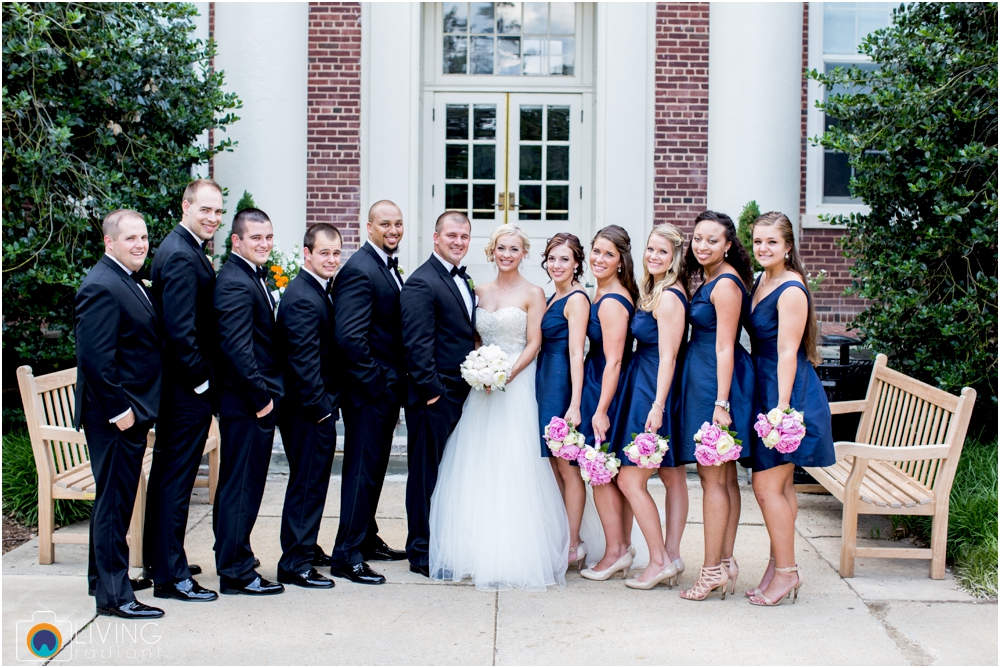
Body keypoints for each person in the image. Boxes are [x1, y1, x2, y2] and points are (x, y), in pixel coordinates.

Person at [429, 224, 570, 591]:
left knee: (514, 464)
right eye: (501, 248)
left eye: (514, 249)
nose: (507, 254)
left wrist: (505, 374)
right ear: (492, 252)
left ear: (524, 254)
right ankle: (475, 548)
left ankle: (516, 551)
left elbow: (535, 342)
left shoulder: (534, 293)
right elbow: (475, 338)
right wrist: (480, 370)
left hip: (516, 384)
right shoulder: (479, 291)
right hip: (483, 387)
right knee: (477, 462)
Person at [75, 209, 164, 619]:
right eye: (130, 238)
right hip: (115, 418)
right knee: (114, 505)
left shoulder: (125, 279)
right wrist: (120, 411)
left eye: (143, 237)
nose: (140, 245)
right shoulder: (101, 286)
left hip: (130, 412)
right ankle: (114, 596)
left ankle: (101, 579)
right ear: (109, 242)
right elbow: (94, 360)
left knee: (113, 501)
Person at [745, 211, 834, 606]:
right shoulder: (763, 279)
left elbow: (786, 351)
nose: (763, 248)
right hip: (765, 384)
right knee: (780, 486)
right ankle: (776, 564)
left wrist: (781, 409)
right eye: (758, 241)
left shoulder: (792, 288)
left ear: (788, 246)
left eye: (771, 242)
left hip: (786, 391)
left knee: (766, 487)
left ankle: (787, 573)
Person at [143, 180, 222, 604]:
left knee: (169, 477)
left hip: (182, 387)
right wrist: (203, 381)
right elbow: (179, 332)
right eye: (205, 209)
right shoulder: (177, 254)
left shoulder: (187, 247)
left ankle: (161, 559)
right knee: (176, 479)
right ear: (186, 205)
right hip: (183, 389)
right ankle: (171, 577)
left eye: (218, 212)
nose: (212, 218)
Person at [678, 210, 755, 601]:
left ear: (728, 244)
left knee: (713, 479)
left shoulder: (725, 284)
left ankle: (710, 571)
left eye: (712, 240)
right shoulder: (710, 278)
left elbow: (726, 344)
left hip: (716, 384)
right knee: (723, 479)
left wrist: (721, 402)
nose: (702, 245)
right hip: (707, 378)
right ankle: (724, 563)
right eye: (697, 239)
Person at [330, 200, 408, 586]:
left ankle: (367, 539)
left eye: (398, 224)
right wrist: (377, 384)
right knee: (361, 470)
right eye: (385, 224)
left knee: (373, 469)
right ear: (369, 227)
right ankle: (346, 553)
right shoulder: (360, 270)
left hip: (382, 390)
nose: (393, 230)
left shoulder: (383, 265)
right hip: (368, 393)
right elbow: (349, 338)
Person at [400, 211, 477, 577]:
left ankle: (443, 541)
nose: (458, 241)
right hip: (436, 398)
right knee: (425, 475)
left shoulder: (462, 279)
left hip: (462, 394)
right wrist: (433, 393)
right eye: (451, 235)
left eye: (464, 236)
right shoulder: (421, 282)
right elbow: (416, 346)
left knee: (450, 474)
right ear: (435, 237)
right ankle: (420, 551)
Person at [213, 207, 285, 596]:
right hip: (246, 405)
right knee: (242, 487)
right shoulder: (236, 283)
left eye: (269, 237)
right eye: (256, 237)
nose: (265, 244)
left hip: (249, 403)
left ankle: (233, 552)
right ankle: (236, 572)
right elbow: (237, 351)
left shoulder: (249, 276)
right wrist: (262, 402)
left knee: (241, 485)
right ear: (237, 241)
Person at [614, 224, 690, 590]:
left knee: (630, 477)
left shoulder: (670, 297)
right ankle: (671, 556)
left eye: (662, 251)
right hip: (642, 383)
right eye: (650, 249)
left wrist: (658, 405)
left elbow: (669, 357)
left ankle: (659, 559)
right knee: (672, 474)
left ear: (675, 257)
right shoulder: (650, 290)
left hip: (653, 390)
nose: (654, 256)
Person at [274, 223, 343, 590]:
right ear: (307, 254)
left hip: (312, 408)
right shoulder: (302, 296)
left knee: (311, 482)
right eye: (324, 253)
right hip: (307, 411)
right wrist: (322, 409)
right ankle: (295, 563)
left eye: (336, 253)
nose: (331, 259)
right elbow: (302, 362)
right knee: (307, 484)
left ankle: (306, 547)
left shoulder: (316, 289)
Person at [579, 225, 639, 582]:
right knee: (607, 474)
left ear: (620, 262)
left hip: (606, 389)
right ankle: (620, 546)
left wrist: (601, 410)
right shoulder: (604, 292)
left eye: (608, 254)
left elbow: (615, 360)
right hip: (599, 384)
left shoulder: (614, 300)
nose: (599, 259)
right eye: (596, 251)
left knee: (601, 474)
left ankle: (615, 552)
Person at [536, 233, 592, 570]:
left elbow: (576, 352)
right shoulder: (550, 296)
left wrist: (574, 403)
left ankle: (574, 542)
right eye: (552, 259)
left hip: (561, 383)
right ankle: (563, 536)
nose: (557, 265)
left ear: (576, 265)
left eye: (564, 260)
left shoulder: (577, 299)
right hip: (545, 381)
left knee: (568, 467)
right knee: (554, 465)